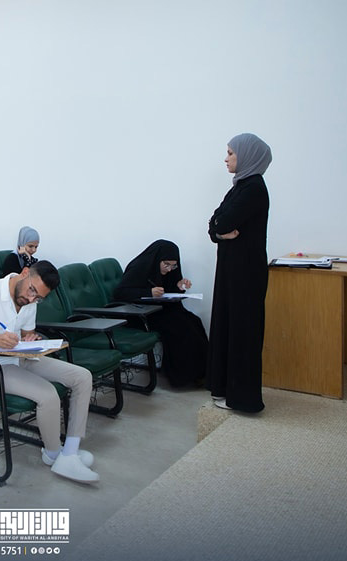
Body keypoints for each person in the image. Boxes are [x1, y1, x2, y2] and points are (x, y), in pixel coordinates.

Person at [0, 260, 99, 484]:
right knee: (48, 394)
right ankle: (54, 454)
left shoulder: (31, 300)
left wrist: (31, 338)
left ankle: (70, 451)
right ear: (25, 272)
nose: (31, 299)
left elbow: (26, 334)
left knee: (82, 377)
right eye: (31, 291)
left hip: (18, 358)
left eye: (38, 298)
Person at [206, 133, 272, 413]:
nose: (226, 158)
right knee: (227, 326)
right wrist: (219, 231)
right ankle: (225, 390)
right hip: (231, 270)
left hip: (245, 273)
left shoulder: (253, 188)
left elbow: (222, 221)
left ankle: (243, 398)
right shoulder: (239, 188)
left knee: (242, 332)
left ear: (247, 156)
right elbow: (214, 223)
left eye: (231, 153)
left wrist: (219, 228)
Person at [113, 240, 209, 388]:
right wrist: (148, 292)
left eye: (173, 265)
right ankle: (183, 377)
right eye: (166, 264)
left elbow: (168, 292)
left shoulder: (171, 270)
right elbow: (120, 293)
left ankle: (204, 372)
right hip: (139, 315)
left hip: (159, 311)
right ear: (157, 259)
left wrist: (179, 287)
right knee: (179, 328)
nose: (170, 269)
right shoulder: (139, 266)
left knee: (194, 321)